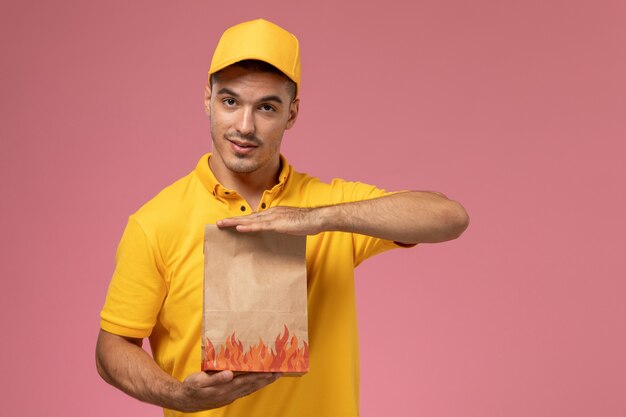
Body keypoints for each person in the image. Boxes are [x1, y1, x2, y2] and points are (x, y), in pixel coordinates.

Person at [96, 18, 469, 417]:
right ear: (207, 99)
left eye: (267, 108)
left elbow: (449, 216)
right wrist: (178, 395)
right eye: (230, 101)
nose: (244, 126)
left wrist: (317, 218)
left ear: (292, 114)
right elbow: (112, 347)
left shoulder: (329, 204)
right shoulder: (156, 222)